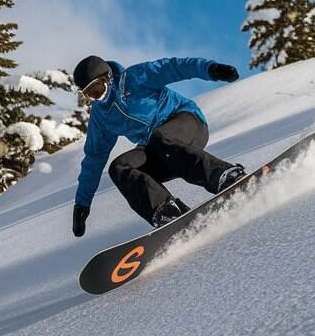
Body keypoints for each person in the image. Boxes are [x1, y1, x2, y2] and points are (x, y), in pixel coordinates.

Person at [71, 55, 245, 236]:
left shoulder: (135, 78)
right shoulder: (101, 117)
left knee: (160, 137)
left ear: (108, 78)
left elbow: (175, 67)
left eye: (98, 90)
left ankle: (225, 176)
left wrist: (212, 69)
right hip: (162, 152)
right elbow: (94, 158)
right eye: (89, 95)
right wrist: (82, 204)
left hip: (188, 124)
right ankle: (166, 212)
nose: (96, 99)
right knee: (119, 167)